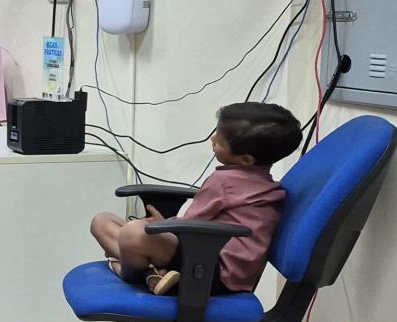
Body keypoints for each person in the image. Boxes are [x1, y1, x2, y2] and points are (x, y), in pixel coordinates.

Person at [91, 103, 297, 295]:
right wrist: (163, 225)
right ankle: (153, 274)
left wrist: (161, 225)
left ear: (245, 160)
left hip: (207, 269)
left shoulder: (224, 182)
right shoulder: (266, 185)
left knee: (128, 231)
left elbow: (193, 223)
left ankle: (131, 273)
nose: (213, 140)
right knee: (105, 222)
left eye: (219, 141)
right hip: (225, 270)